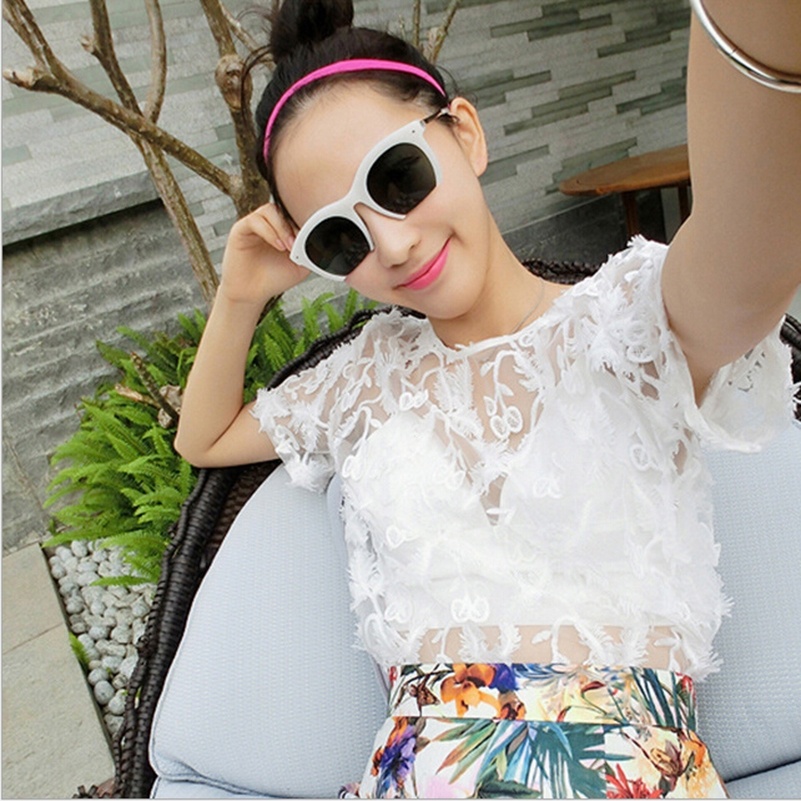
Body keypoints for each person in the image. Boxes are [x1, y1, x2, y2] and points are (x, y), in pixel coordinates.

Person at [174, 0, 801, 796]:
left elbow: (755, 244)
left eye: (396, 179)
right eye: (339, 237)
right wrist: (238, 295)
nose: (392, 244)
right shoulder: (366, 375)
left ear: (464, 133)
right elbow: (204, 438)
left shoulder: (631, 324)